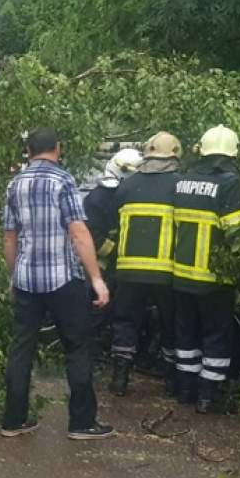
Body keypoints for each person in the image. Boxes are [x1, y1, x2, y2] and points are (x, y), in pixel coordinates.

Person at [1, 127, 115, 440]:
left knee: (21, 347)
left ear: (28, 150)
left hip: (26, 280)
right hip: (63, 280)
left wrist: (14, 277)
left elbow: (9, 239)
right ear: (58, 149)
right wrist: (96, 279)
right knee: (77, 347)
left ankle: (13, 420)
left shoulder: (15, 184)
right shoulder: (63, 180)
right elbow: (78, 232)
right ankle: (82, 423)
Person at [171, 125, 240, 414]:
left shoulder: (182, 181)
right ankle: (207, 396)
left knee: (186, 336)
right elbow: (236, 234)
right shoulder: (229, 183)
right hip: (215, 278)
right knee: (216, 337)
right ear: (232, 153)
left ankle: (185, 390)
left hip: (181, 276)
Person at [107, 132, 183, 397]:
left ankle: (120, 378)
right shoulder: (179, 186)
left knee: (125, 321)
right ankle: (172, 382)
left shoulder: (127, 185)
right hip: (166, 271)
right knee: (170, 324)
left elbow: (114, 227)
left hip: (128, 269)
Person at [83, 148, 143, 364]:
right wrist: (117, 252)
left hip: (117, 267)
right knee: (99, 314)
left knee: (116, 314)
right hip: (102, 268)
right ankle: (90, 356)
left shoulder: (116, 194)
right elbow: (93, 237)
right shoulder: (101, 197)